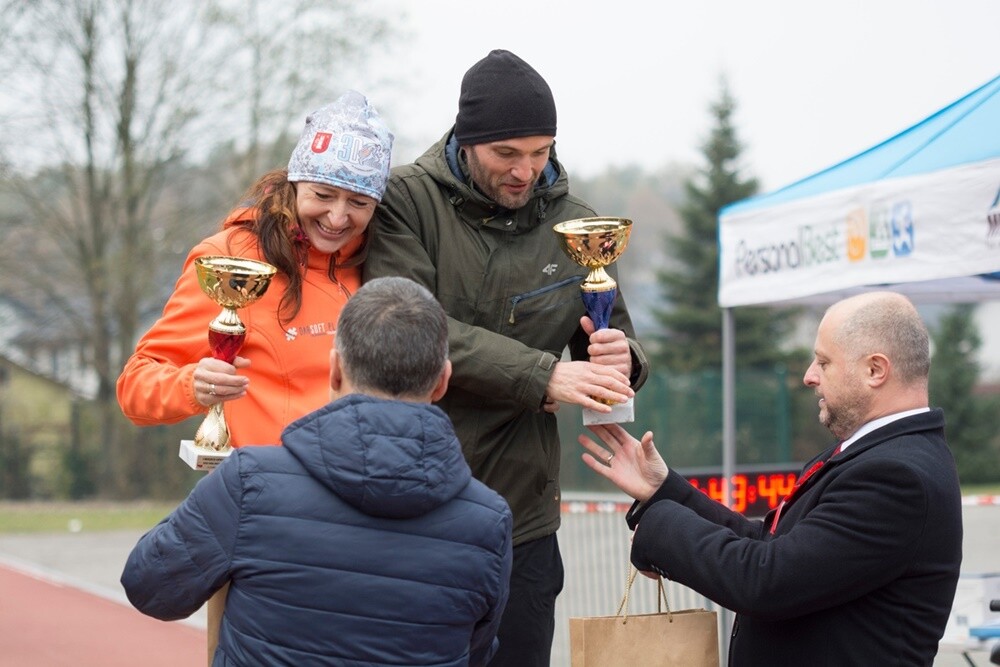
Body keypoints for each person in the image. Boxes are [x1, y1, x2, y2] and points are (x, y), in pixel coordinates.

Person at [363, 49, 649, 666]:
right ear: (466, 142)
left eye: (541, 151)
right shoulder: (404, 203)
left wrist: (622, 361)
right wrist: (543, 374)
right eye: (507, 155)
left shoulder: (581, 226)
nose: (527, 170)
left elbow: (613, 344)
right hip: (416, 506)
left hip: (523, 522)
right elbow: (408, 334)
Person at [115, 90, 393, 663]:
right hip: (273, 523)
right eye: (323, 194)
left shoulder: (387, 261)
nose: (339, 217)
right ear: (293, 183)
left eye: (359, 201)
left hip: (370, 524)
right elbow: (137, 385)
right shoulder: (229, 258)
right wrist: (192, 384)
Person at [120, 276, 514, 667]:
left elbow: (149, 586)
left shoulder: (248, 483)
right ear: (443, 381)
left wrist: (213, 508)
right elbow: (474, 650)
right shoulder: (488, 521)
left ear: (335, 370)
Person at [579, 291, 963, 666]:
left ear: (875, 370)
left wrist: (659, 529)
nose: (809, 376)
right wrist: (664, 492)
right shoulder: (876, 455)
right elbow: (770, 546)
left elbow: (768, 581)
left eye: (824, 362)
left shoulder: (896, 477)